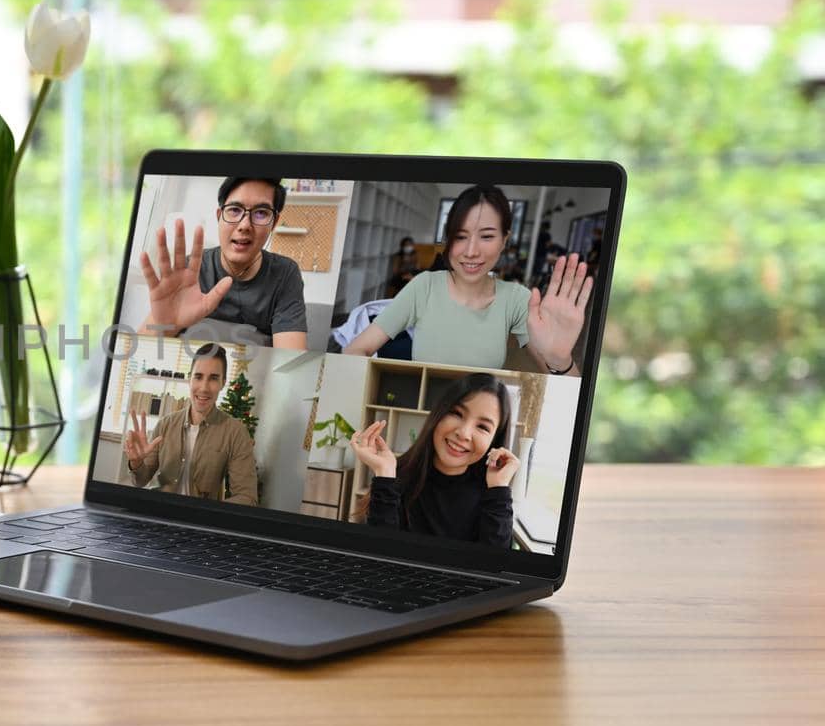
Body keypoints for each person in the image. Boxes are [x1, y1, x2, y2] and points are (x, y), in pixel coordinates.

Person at [342, 184, 590, 375]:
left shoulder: (516, 299)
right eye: (460, 236)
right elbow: (355, 349)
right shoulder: (425, 286)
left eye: (486, 236)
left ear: (505, 239)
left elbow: (566, 393)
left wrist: (560, 360)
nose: (471, 251)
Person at [349, 373, 519, 548]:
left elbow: (495, 566)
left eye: (483, 427)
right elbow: (378, 553)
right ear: (439, 413)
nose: (464, 433)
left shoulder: (492, 495)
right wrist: (384, 474)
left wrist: (499, 489)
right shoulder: (394, 475)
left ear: (494, 440)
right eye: (456, 413)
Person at [137, 177, 308, 348]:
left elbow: (290, 361)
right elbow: (135, 356)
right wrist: (168, 324)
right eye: (234, 210)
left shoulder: (285, 274)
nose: (244, 225)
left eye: (261, 213)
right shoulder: (191, 270)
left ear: (274, 222)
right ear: (219, 216)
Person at [122, 343, 259, 504]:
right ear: (189, 378)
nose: (204, 388)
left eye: (213, 378)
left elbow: (247, 497)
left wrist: (207, 514)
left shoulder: (236, 432)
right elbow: (140, 481)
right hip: (158, 511)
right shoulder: (165, 424)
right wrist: (137, 462)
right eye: (198, 377)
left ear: (223, 383)